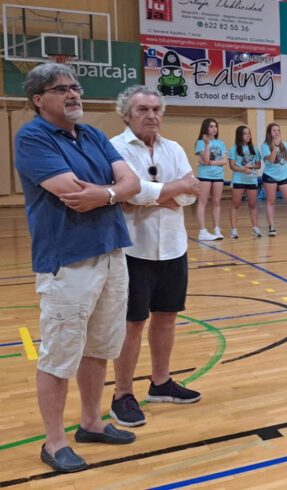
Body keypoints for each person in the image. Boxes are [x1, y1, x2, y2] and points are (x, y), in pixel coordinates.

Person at [14, 63, 141, 472]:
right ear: (38, 100)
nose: (73, 94)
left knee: (99, 346)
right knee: (58, 355)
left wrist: (103, 193)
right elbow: (72, 193)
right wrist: (113, 192)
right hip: (67, 262)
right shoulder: (32, 137)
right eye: (61, 89)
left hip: (111, 253)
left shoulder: (93, 134)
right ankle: (54, 443)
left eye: (75, 87)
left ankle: (92, 422)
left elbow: (132, 182)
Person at [108, 85, 202, 428]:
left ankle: (161, 383)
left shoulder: (174, 148)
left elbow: (192, 194)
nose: (152, 115)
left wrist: (153, 194)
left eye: (156, 109)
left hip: (174, 247)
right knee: (132, 324)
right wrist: (173, 190)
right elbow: (124, 195)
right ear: (126, 115)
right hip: (133, 249)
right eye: (143, 110)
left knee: (167, 317)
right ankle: (122, 395)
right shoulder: (115, 149)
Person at [194, 118, 227, 241]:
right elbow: (206, 159)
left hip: (218, 175)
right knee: (202, 201)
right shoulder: (200, 143)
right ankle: (202, 231)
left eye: (215, 126)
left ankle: (217, 229)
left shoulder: (221, 143)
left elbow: (224, 161)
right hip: (205, 175)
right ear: (206, 128)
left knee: (216, 202)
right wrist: (207, 144)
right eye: (211, 126)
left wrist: (212, 163)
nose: (214, 129)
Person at [228, 125, 262, 238]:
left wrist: (251, 166)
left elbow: (258, 165)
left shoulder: (255, 149)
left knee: (252, 205)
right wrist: (244, 169)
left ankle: (255, 228)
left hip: (251, 180)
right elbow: (232, 166)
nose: (248, 136)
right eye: (245, 134)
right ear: (240, 135)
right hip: (238, 179)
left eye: (249, 133)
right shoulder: (234, 149)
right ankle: (233, 229)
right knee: (236, 204)